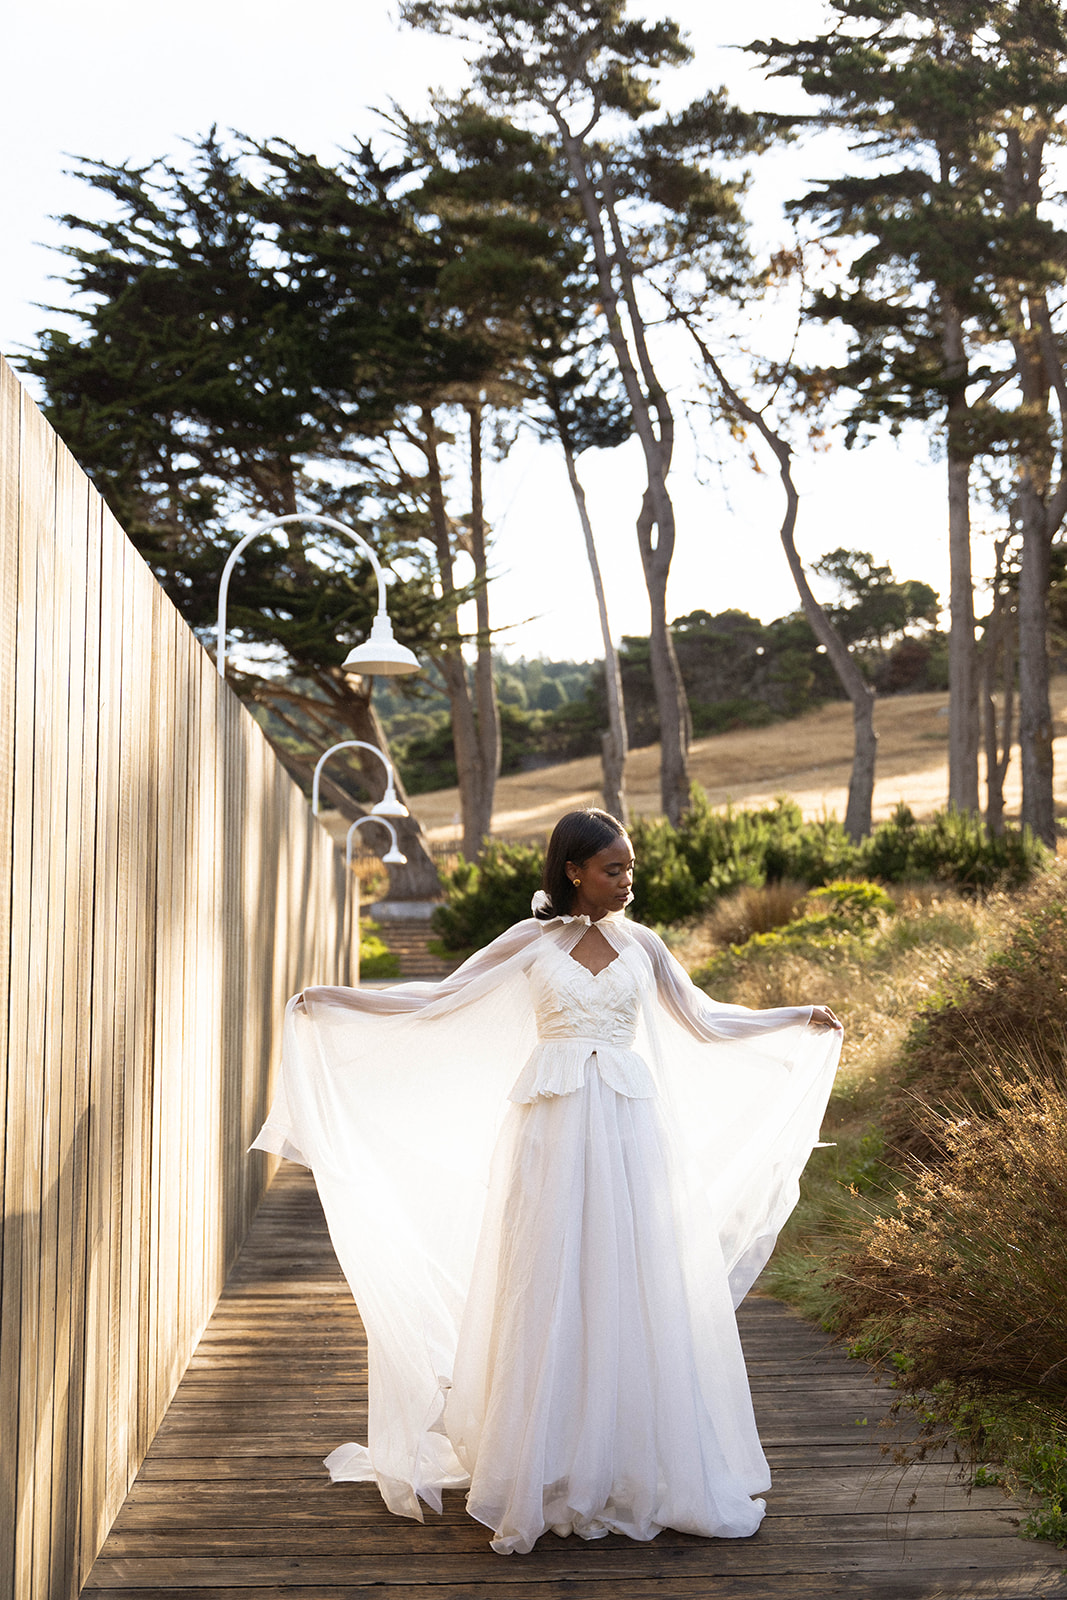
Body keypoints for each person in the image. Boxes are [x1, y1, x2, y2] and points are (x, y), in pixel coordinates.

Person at [253, 807, 842, 1555]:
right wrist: (337, 1003)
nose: (627, 882)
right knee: (547, 1277)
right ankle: (545, 1462)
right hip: (550, 1132)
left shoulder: (644, 944)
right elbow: (438, 1000)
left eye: (630, 868)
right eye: (613, 869)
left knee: (629, 1277)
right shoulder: (528, 941)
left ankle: (633, 1461)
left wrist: (795, 1020)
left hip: (630, 1132)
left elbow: (705, 1020)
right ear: (573, 871)